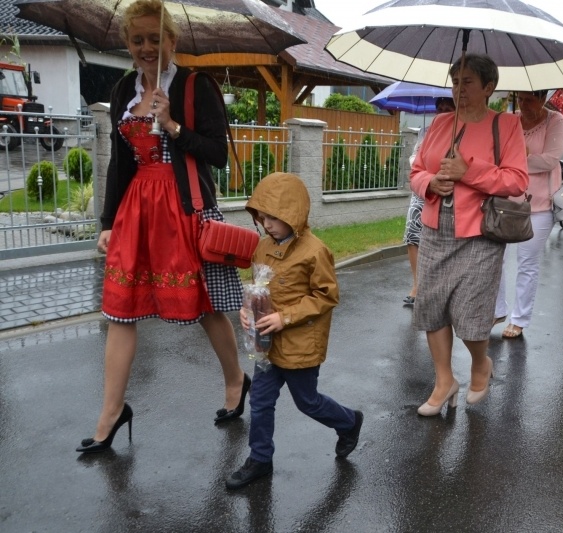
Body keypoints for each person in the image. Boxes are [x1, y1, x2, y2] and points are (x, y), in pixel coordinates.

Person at [76, 0, 249, 454]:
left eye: (155, 38)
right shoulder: (123, 90)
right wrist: (109, 221)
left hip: (185, 209)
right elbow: (120, 162)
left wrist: (171, 124)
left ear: (172, 40)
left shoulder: (195, 86)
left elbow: (216, 154)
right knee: (120, 310)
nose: (146, 48)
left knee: (206, 306)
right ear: (127, 43)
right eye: (137, 40)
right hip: (137, 212)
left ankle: (236, 380)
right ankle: (111, 412)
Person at [226, 172, 363, 490]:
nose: (267, 224)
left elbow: (326, 296)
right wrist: (247, 312)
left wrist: (285, 318)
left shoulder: (314, 251)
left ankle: (349, 421)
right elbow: (259, 288)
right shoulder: (262, 247)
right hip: (266, 343)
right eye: (262, 217)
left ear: (294, 215)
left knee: (307, 402)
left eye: (274, 218)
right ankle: (260, 458)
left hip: (300, 343)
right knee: (260, 400)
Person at [409, 54, 528, 415]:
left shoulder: (506, 125)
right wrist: (431, 182)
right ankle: (444, 380)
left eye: (468, 82)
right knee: (431, 306)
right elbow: (416, 171)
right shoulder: (441, 123)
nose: (459, 89)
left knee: (471, 314)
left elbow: (517, 180)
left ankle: (480, 363)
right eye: (455, 82)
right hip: (436, 228)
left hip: (480, 231)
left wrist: (468, 172)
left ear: (489, 87)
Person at [493, 90, 563, 338]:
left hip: (540, 204)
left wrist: (519, 159)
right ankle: (497, 310)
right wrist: (516, 159)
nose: (524, 105)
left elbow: (550, 160)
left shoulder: (555, 120)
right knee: (496, 258)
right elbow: (496, 156)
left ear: (542, 98)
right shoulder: (509, 120)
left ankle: (519, 319)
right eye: (521, 99)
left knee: (527, 263)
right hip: (506, 201)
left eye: (530, 100)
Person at [403, 97, 456, 306]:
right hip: (422, 189)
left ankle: (438, 287)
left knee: (441, 240)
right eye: (439, 108)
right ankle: (417, 285)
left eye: (447, 108)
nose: (442, 112)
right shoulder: (426, 131)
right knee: (412, 234)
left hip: (445, 192)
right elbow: (414, 158)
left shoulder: (461, 131)